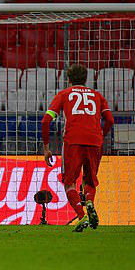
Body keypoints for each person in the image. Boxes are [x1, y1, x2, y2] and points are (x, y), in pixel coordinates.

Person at [41, 64, 114, 232]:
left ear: (68, 79)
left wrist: (46, 148)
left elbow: (46, 120)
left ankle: (82, 217)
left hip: (73, 141)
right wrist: (101, 135)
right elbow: (110, 120)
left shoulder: (64, 94)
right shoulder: (97, 96)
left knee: (69, 182)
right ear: (86, 79)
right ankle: (89, 202)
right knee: (89, 181)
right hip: (95, 141)